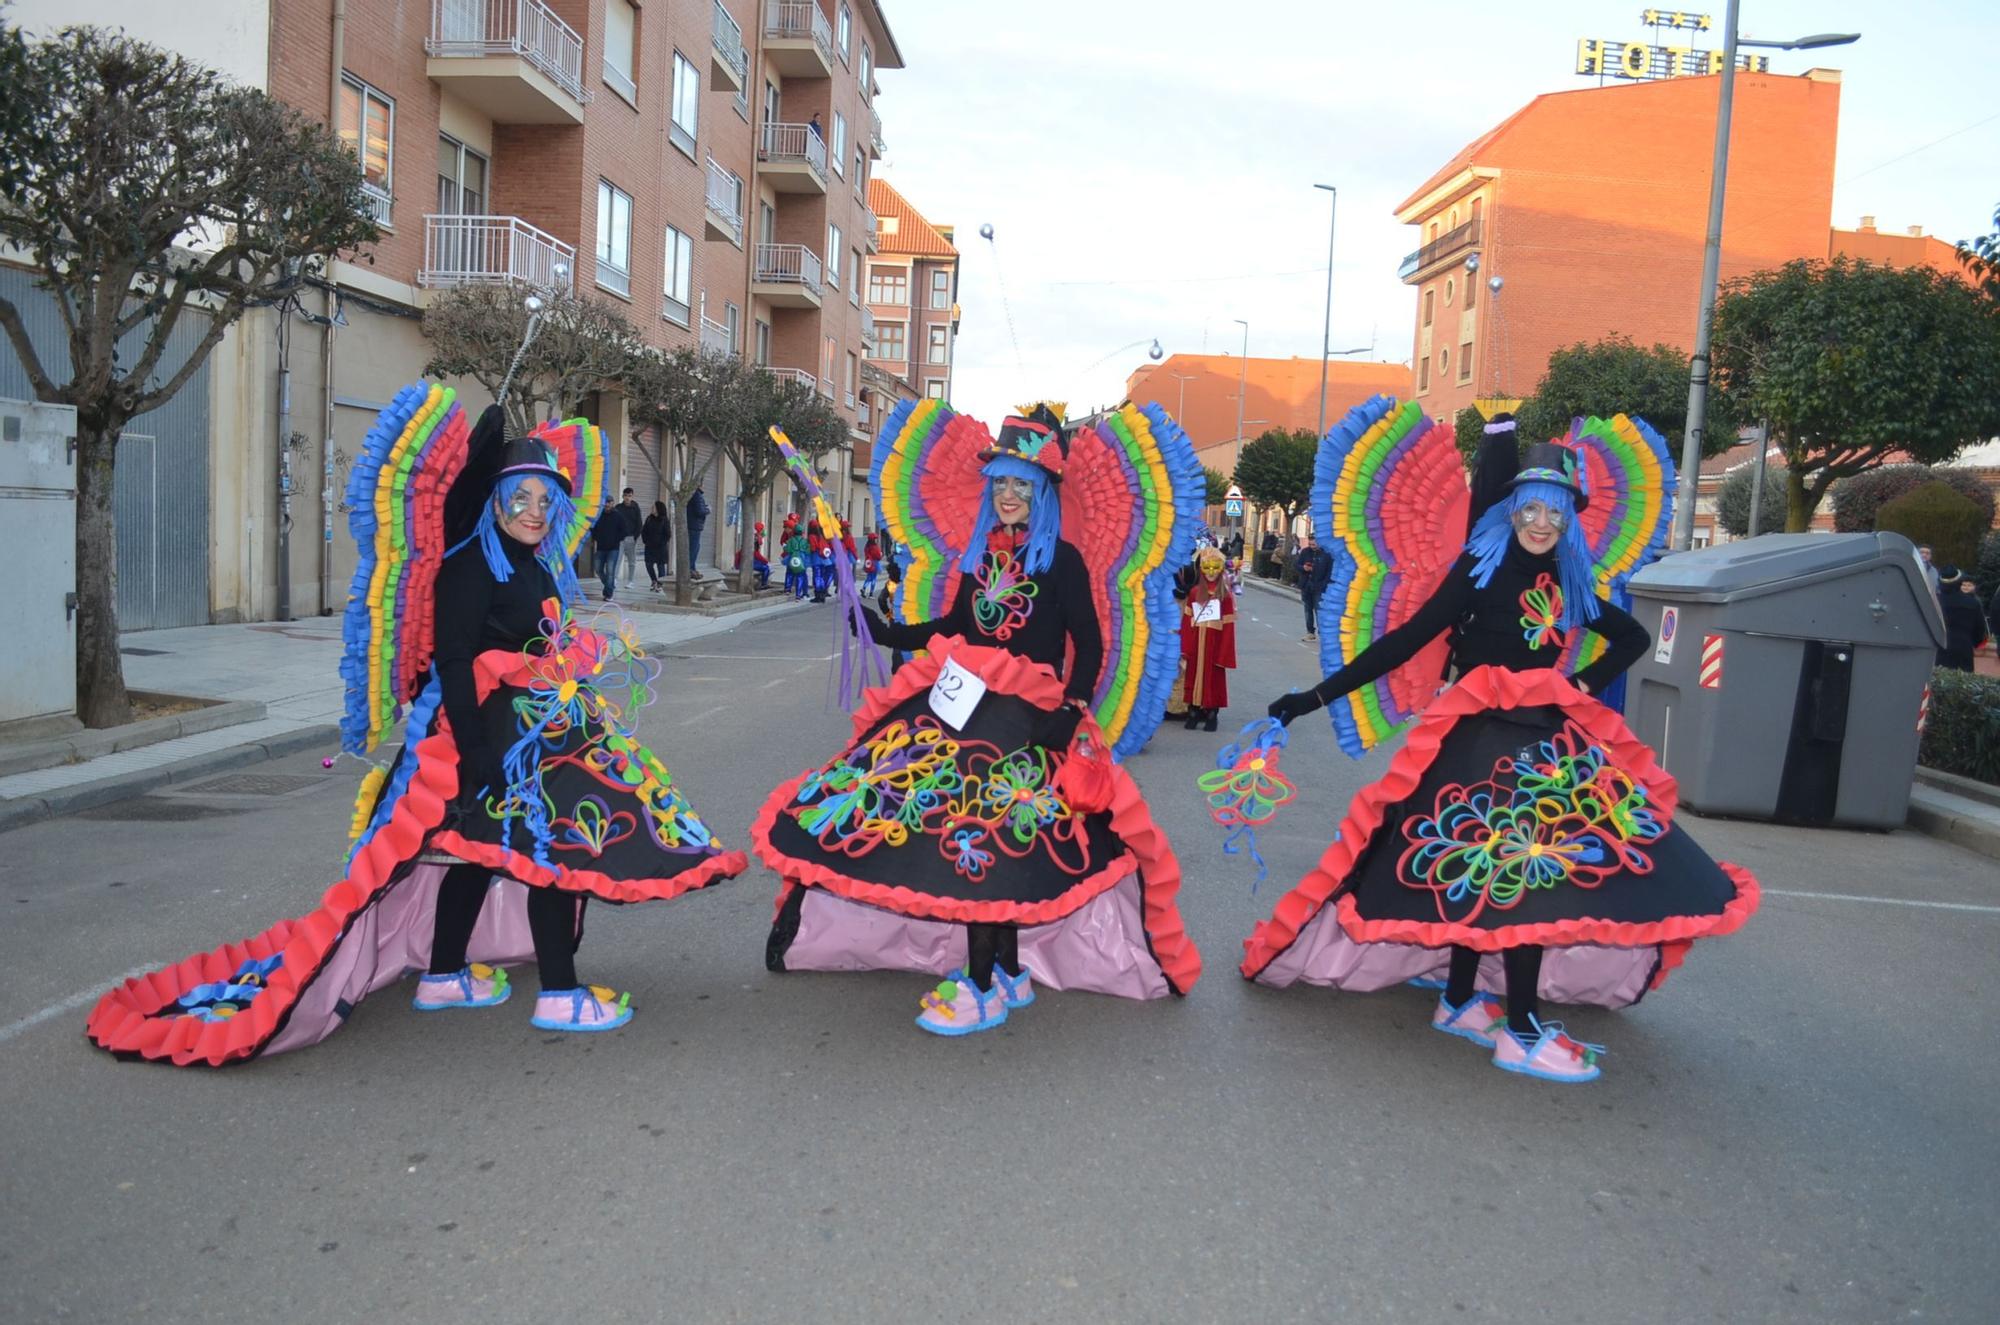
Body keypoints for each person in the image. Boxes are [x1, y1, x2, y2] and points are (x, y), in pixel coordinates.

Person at [85, 396, 747, 1064]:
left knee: (479, 853)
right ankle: (559, 991)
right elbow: (456, 662)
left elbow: (542, 637)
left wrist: (582, 652)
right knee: (553, 851)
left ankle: (443, 975)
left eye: (546, 502)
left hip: (538, 732)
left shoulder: (536, 564)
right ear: (493, 500)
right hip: (492, 741)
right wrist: (478, 748)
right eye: (522, 498)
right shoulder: (468, 567)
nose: (536, 512)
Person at [1250, 425, 1759, 1084]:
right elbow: (1407, 639)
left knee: (1508, 878)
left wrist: (1575, 682)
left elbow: (1630, 635)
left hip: (1544, 746)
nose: (1541, 523)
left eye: (1555, 510)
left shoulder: (1567, 577)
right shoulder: (1480, 568)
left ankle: (1462, 1000)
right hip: (1480, 747)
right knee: (1519, 879)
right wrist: (1313, 696)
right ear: (1511, 510)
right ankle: (1518, 1030)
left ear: (1567, 516)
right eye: (1531, 509)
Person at [756, 403, 1202, 1035]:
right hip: (969, 708)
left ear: (1043, 489)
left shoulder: (1064, 560)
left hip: (1027, 718)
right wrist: (892, 631)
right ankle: (1006, 975)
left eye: (1023, 483)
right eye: (1002, 483)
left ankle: (985, 983)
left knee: (989, 843)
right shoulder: (982, 556)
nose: (1010, 494)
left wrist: (1070, 713)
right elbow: (957, 627)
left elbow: (1091, 644)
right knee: (964, 834)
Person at [1178, 546, 1236, 732]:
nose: (1211, 572)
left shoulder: (1225, 596)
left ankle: (1212, 714)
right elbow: (1187, 622)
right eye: (1207, 567)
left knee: (1214, 680)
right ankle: (1193, 711)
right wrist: (1185, 646)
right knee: (1193, 677)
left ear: (1220, 569)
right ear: (1201, 568)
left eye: (1215, 567)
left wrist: (1224, 653)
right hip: (1196, 643)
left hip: (1215, 644)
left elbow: (1228, 627)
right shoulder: (1195, 592)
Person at [1936, 565, 1989, 671]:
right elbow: (1980, 631)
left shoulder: (1933, 602)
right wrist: (1975, 642)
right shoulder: (1972, 603)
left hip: (1938, 649)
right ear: (1959, 581)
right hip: (1963, 649)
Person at [1294, 532, 1331, 643]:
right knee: (1307, 609)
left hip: (1320, 586)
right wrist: (1303, 568)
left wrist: (1324, 585)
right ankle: (1310, 632)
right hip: (1306, 585)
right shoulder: (1305, 552)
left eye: (1314, 543)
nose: (1311, 545)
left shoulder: (1327, 554)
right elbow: (1296, 565)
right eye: (1310, 543)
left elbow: (1329, 572)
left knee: (1319, 610)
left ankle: (1323, 633)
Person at [591, 503, 624, 601]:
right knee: (598, 569)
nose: (607, 505)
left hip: (613, 548)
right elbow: (593, 528)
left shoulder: (618, 516)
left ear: (612, 504)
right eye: (606, 503)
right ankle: (610, 585)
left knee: (610, 571)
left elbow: (624, 530)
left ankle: (608, 594)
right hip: (601, 547)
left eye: (609, 503)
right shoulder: (599, 515)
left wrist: (616, 539)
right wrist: (597, 537)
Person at [641, 499, 672, 591]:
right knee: (648, 564)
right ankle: (654, 580)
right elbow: (644, 531)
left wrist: (662, 543)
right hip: (649, 546)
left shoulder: (664, 520)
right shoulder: (649, 518)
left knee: (660, 566)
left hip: (660, 547)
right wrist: (645, 540)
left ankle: (660, 584)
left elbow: (668, 534)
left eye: (653, 507)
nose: (652, 508)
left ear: (658, 509)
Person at [616, 487, 642, 593]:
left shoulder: (635, 508)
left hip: (631, 537)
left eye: (629, 496)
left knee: (632, 561)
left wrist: (635, 537)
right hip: (620, 538)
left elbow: (639, 523)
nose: (627, 498)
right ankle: (614, 579)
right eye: (626, 495)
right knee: (617, 559)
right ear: (623, 496)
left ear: (632, 496)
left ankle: (630, 581)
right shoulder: (618, 508)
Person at [686, 485, 710, 578]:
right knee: (694, 549)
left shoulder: (693, 494)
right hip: (694, 526)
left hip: (692, 525)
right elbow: (700, 511)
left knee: (695, 548)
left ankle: (692, 568)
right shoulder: (697, 495)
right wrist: (708, 510)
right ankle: (690, 570)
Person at [782, 524, 810, 600]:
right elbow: (808, 551)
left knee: (790, 573)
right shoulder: (805, 541)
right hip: (802, 559)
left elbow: (787, 549)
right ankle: (798, 594)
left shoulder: (791, 540)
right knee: (800, 576)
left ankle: (787, 589)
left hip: (792, 558)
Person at [861, 532, 882, 598]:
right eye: (875, 538)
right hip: (875, 563)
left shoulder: (866, 546)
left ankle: (864, 588)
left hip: (868, 563)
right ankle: (871, 593)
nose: (876, 540)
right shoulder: (874, 547)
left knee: (868, 577)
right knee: (873, 578)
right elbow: (878, 556)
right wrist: (880, 555)